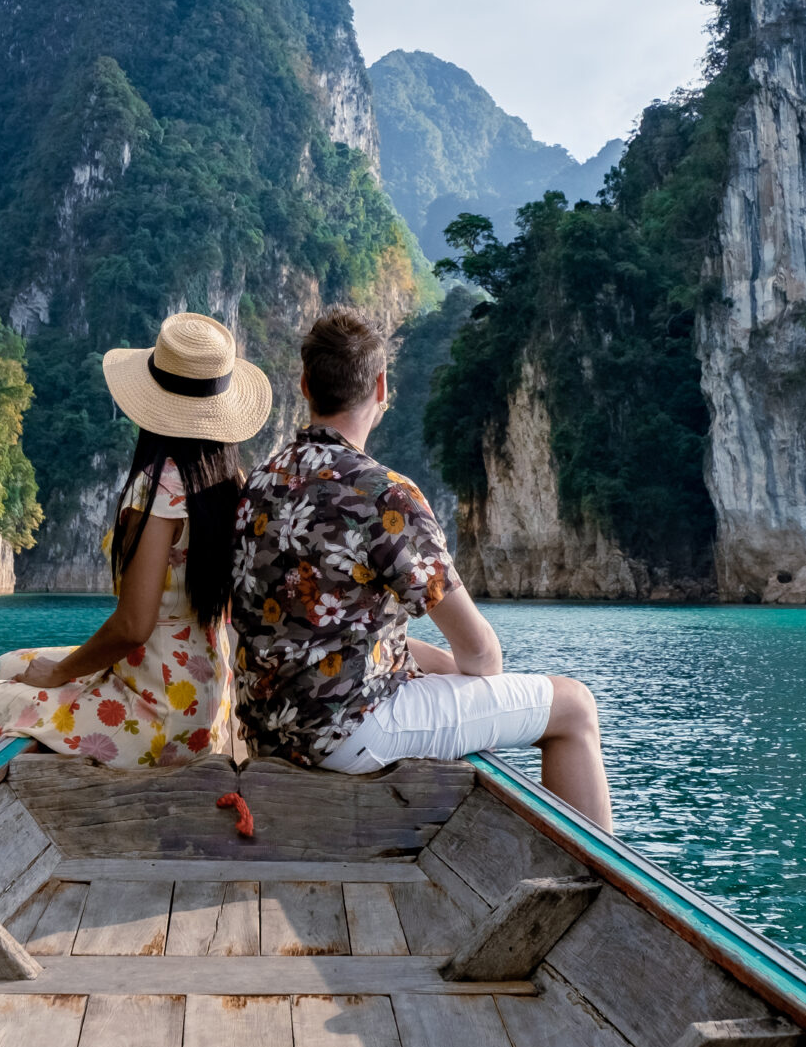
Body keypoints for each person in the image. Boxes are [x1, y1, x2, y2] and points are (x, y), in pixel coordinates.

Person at [233, 306, 612, 827]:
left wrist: (423, 661)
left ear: (304, 383)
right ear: (382, 386)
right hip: (344, 735)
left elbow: (318, 632)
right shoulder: (385, 496)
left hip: (266, 731)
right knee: (574, 707)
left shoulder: (259, 484)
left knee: (441, 673)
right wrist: (458, 667)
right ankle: (597, 892)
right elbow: (482, 655)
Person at [0, 311, 272, 774]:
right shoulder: (228, 483)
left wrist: (62, 673)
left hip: (157, 710)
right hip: (206, 703)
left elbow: (134, 626)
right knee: (5, 666)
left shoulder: (157, 490)